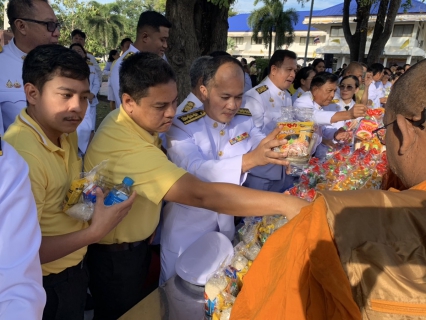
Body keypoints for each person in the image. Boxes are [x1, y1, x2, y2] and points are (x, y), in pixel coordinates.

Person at [84, 51, 308, 320]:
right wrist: (284, 203)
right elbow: (200, 191)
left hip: (144, 244)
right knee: (166, 306)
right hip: (127, 253)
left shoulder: (141, 125)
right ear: (129, 101)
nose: (171, 112)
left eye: (174, 101)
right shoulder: (148, 136)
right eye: (160, 106)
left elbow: (259, 146)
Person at [231, 59, 426, 320]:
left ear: (404, 131)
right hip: (268, 170)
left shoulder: (333, 218)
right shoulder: (262, 98)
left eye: (384, 130)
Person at [3, 44, 136, 320]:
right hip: (44, 284)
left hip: (74, 267)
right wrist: (94, 233)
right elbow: (23, 253)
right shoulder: (21, 158)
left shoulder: (63, 131)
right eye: (65, 95)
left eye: (85, 97)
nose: (77, 108)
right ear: (32, 93)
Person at [160, 55, 288, 284]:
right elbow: (196, 170)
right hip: (187, 230)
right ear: (204, 91)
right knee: (177, 294)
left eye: (239, 97)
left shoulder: (242, 119)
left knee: (218, 292)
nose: (233, 105)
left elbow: (260, 142)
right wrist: (249, 160)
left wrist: (284, 145)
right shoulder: (181, 125)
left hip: (225, 227)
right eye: (225, 97)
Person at [0, 139, 46, 319]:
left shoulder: (7, 162)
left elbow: (15, 285)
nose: (75, 108)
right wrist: (93, 233)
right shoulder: (26, 149)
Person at [0, 0, 60, 134]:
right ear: (21, 26)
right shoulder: (1, 65)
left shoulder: (63, 62)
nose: (57, 33)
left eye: (57, 25)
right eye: (49, 25)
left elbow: (84, 122)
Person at [243, 50, 297, 192]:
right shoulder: (256, 96)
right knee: (255, 214)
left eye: (294, 70)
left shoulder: (287, 96)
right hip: (261, 173)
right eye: (289, 70)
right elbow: (250, 135)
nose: (293, 75)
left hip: (282, 170)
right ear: (274, 69)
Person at [294, 72, 367, 158]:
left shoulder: (318, 105)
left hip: (307, 155)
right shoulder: (302, 102)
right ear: (315, 89)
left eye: (334, 91)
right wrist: (348, 114)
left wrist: (335, 134)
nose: (332, 95)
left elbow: (322, 130)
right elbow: (314, 117)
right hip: (295, 156)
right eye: (329, 91)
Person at [109, 11, 171, 108]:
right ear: (145, 37)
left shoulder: (160, 57)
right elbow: (132, 109)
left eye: (166, 40)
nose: (165, 45)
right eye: (162, 40)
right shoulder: (123, 66)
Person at [70, 43, 101, 153]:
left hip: (90, 101)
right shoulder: (67, 69)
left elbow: (96, 82)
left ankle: (88, 150)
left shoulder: (91, 67)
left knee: (90, 127)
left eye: (80, 50)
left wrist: (92, 93)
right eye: (74, 50)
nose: (77, 52)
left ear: (84, 53)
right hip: (76, 102)